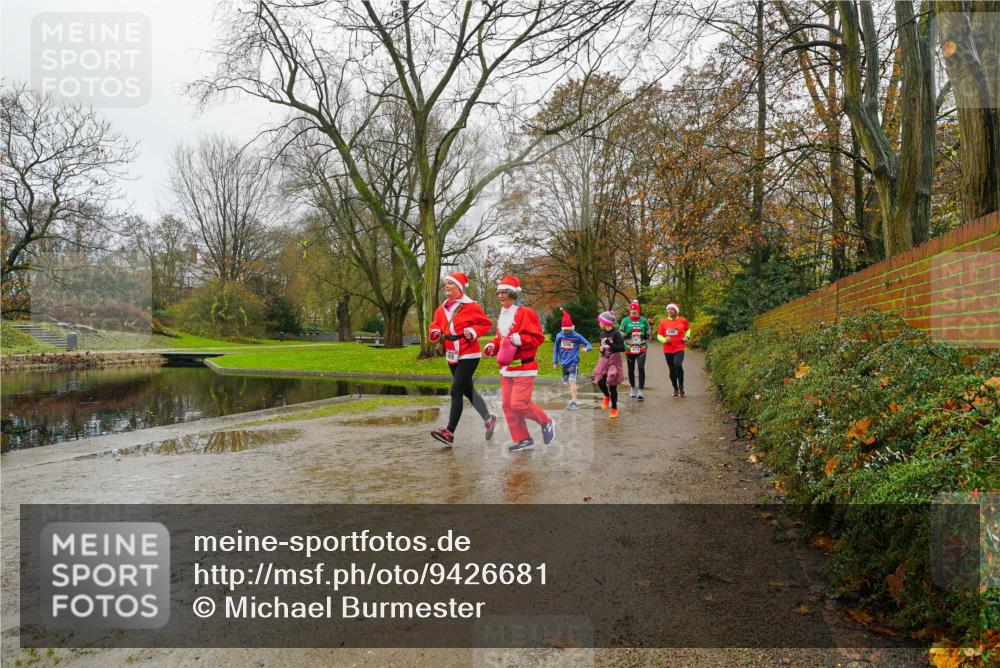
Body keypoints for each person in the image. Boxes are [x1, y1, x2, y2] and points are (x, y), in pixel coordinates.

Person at [483, 275, 555, 453]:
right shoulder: (502, 314)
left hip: (524, 367)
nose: (500, 296)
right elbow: (501, 339)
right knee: (508, 406)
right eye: (498, 292)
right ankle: (522, 439)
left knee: (519, 404)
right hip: (506, 369)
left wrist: (520, 339)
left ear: (513, 294)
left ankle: (546, 421)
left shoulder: (526, 312)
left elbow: (538, 337)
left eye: (504, 292)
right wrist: (493, 345)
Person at [428, 272, 498, 446]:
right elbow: (435, 324)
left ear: (459, 287)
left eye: (450, 283)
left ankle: (449, 432)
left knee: (456, 390)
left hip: (469, 353)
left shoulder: (471, 306)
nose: (446, 286)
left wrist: (473, 332)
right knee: (468, 391)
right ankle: (489, 419)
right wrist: (435, 332)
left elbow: (485, 324)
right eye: (445, 283)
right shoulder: (443, 307)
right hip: (452, 352)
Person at [552, 308, 592, 410]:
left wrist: (586, 349)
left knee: (572, 380)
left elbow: (588, 344)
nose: (568, 331)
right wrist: (555, 361)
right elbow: (556, 349)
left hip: (573, 362)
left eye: (570, 329)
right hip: (563, 363)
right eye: (566, 329)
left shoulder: (576, 336)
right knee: (566, 382)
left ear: (572, 328)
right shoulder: (559, 336)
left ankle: (574, 401)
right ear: (563, 328)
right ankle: (570, 388)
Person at [593, 310, 626, 418]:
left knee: (612, 386)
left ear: (605, 322)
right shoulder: (602, 333)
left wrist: (610, 344)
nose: (599, 324)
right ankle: (607, 396)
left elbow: (622, 348)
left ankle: (614, 409)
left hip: (614, 362)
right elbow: (603, 348)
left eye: (600, 322)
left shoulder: (616, 333)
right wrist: (601, 349)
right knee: (600, 382)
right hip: (604, 361)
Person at [656, 302, 690, 397]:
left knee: (678, 365)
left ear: (676, 311)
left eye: (672, 309)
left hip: (679, 347)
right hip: (668, 349)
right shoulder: (663, 321)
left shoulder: (683, 320)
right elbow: (658, 335)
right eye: (668, 309)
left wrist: (687, 337)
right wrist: (664, 339)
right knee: (671, 369)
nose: (670, 311)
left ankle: (682, 387)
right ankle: (675, 388)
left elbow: (688, 330)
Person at [619, 299, 650, 400]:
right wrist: (626, 334)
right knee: (631, 369)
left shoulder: (644, 320)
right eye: (631, 312)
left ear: (638, 311)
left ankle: (640, 390)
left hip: (641, 347)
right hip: (629, 347)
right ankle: (633, 388)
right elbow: (619, 333)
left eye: (635, 312)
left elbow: (649, 333)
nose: (633, 314)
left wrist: (646, 335)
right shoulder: (625, 320)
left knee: (641, 368)